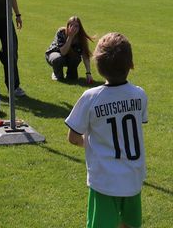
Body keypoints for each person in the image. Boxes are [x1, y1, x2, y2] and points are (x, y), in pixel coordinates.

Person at [66, 32, 148, 228]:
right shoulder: (139, 95)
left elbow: (73, 137)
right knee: (128, 224)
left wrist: (88, 142)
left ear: (98, 66)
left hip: (105, 179)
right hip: (133, 178)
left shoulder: (91, 97)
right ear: (131, 64)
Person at [46, 15, 95, 83]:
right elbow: (63, 52)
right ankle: (57, 74)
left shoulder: (81, 38)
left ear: (80, 28)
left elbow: (85, 56)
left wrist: (88, 73)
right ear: (67, 26)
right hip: (55, 55)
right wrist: (70, 37)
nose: (73, 28)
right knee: (58, 59)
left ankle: (71, 74)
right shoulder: (61, 32)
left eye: (76, 26)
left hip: (70, 57)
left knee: (73, 76)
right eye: (71, 25)